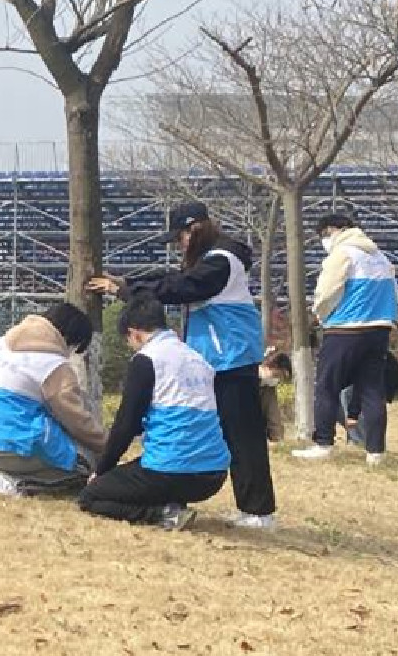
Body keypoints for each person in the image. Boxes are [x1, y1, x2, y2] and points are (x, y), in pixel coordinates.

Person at [89, 201, 276, 529]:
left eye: (181, 237)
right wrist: (128, 282)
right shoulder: (213, 258)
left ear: (195, 229)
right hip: (219, 357)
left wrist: (125, 290)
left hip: (230, 357)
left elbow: (181, 287)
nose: (180, 244)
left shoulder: (222, 260)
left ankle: (258, 512)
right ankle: (243, 506)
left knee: (242, 434)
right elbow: (172, 278)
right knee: (226, 430)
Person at [77, 296, 232, 529]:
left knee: (91, 496)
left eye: (129, 341)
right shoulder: (198, 360)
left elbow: (126, 424)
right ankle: (171, 503)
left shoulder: (147, 359)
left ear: (135, 334)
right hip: (213, 474)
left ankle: (163, 514)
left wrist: (102, 470)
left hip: (170, 471)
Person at [0, 302, 107, 496]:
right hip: (10, 449)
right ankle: (18, 484)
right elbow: (76, 421)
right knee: (83, 469)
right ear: (68, 338)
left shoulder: (1, 344)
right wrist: (107, 445)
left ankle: (7, 477)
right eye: (75, 348)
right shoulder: (55, 365)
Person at [293, 211, 398, 466]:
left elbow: (327, 291)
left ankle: (323, 443)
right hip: (379, 329)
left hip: (345, 329)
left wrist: (320, 313)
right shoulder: (380, 257)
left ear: (332, 230)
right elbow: (393, 292)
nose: (324, 240)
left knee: (326, 386)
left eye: (324, 235)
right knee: (372, 390)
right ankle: (375, 452)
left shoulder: (343, 253)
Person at [340, 349, 398, 450]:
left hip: (377, 382)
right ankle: (359, 440)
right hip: (370, 381)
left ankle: (361, 442)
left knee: (347, 395)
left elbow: (395, 373)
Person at [259, 351, 294, 444]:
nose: (279, 380)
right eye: (278, 375)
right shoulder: (249, 378)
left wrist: (277, 439)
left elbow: (274, 416)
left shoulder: (269, 388)